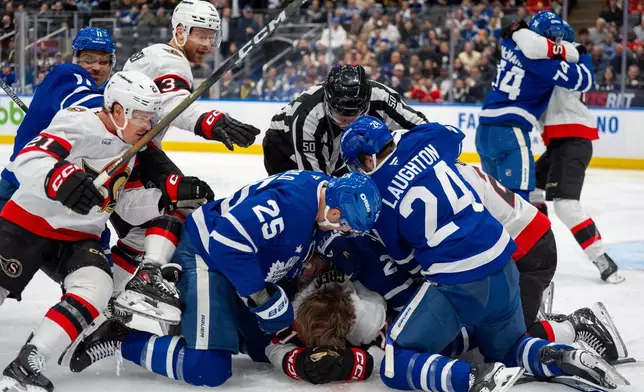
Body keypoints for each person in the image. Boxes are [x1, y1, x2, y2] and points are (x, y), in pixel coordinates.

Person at [339, 115, 628, 392]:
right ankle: (563, 357)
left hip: (469, 274)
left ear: (368, 159)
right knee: (509, 347)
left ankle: (473, 377)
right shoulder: (427, 141)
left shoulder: (376, 194)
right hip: (506, 259)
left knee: (396, 360)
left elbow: (406, 261)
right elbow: (453, 137)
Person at [66, 171, 383, 388]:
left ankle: (207, 326)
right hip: (205, 259)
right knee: (208, 368)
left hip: (235, 269)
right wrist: (261, 298)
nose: (341, 232)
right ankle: (120, 338)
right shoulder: (292, 207)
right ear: (337, 210)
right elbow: (225, 242)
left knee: (263, 347)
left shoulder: (322, 193)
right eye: (344, 225)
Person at [0, 71, 167, 392]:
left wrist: (165, 199)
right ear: (118, 111)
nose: (149, 125)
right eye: (142, 116)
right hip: (27, 223)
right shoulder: (80, 122)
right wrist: (60, 177)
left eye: (151, 117)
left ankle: (26, 364)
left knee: (97, 286)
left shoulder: (131, 146)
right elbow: (29, 157)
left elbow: (124, 205)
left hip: (77, 237)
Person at [112, 0, 262, 323]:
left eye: (212, 36)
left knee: (141, 232)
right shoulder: (170, 61)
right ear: (179, 32)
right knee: (188, 199)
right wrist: (211, 121)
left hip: (125, 157)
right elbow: (172, 105)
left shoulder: (154, 55)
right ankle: (148, 277)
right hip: (134, 157)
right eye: (200, 35)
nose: (207, 45)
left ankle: (113, 301)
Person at [511, 22, 625, 284]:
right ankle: (540, 245)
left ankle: (603, 260)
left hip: (573, 140)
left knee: (566, 206)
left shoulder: (568, 53)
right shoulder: (557, 56)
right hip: (559, 144)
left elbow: (564, 62)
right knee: (531, 191)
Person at [476, 11, 594, 202]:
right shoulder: (545, 65)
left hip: (484, 132)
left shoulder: (510, 42)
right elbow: (585, 80)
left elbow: (528, 41)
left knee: (496, 202)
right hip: (510, 131)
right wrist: (580, 53)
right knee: (520, 203)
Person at [0, 27, 115, 208]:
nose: (97, 67)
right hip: (22, 184)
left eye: (104, 61)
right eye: (89, 60)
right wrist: (128, 111)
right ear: (76, 59)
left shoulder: (104, 90)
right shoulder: (67, 74)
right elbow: (81, 102)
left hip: (61, 187)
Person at [262, 64, 428, 177]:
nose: (348, 122)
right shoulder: (309, 118)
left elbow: (423, 127)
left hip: (334, 148)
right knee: (303, 204)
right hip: (283, 148)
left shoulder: (381, 97)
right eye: (342, 115)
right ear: (328, 102)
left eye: (355, 115)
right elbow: (315, 183)